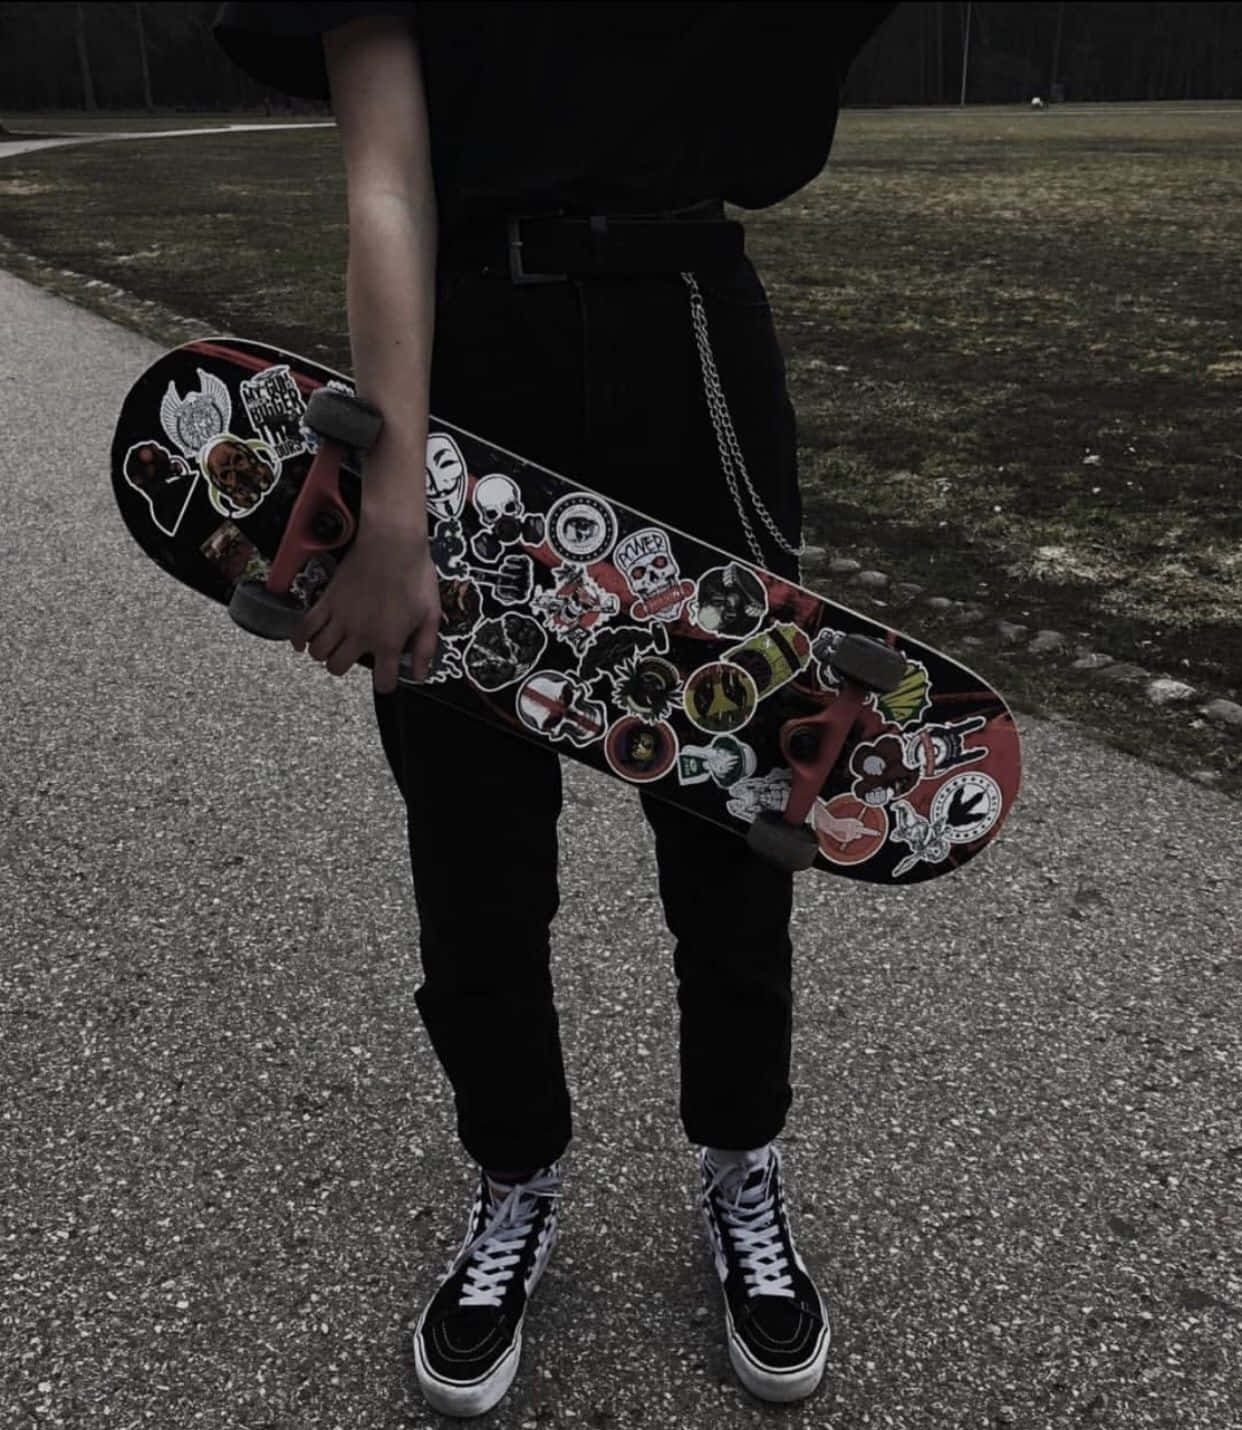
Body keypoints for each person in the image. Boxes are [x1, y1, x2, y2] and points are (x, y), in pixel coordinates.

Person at [213, 2, 898, 1417]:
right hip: (464, 371)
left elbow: (773, 123)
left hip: (691, 346)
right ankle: (513, 1175)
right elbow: (388, 188)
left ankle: (741, 1163)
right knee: (472, 848)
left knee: (735, 821)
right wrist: (391, 506)